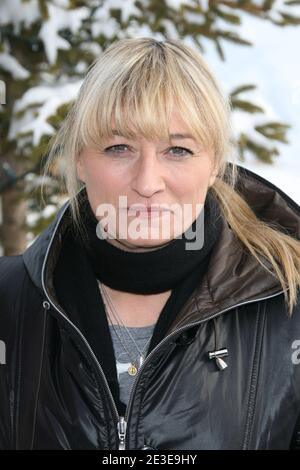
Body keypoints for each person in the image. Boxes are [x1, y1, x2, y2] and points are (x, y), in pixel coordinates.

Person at [0, 38, 300, 451]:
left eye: (177, 150)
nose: (146, 183)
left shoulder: (289, 305)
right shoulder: (8, 301)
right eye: (119, 147)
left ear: (214, 163)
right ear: (81, 159)